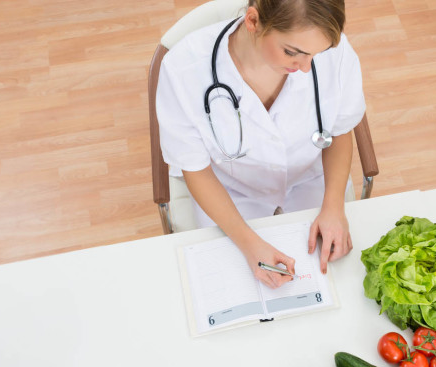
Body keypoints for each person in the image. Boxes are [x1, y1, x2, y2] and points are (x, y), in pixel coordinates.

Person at [156, 0, 365, 289]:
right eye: (292, 52)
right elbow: (195, 169)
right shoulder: (183, 70)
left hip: (310, 183)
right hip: (230, 194)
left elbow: (340, 131)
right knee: (233, 291)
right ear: (252, 21)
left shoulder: (333, 53)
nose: (306, 68)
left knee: (340, 286)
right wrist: (249, 244)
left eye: (315, 55)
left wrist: (333, 206)